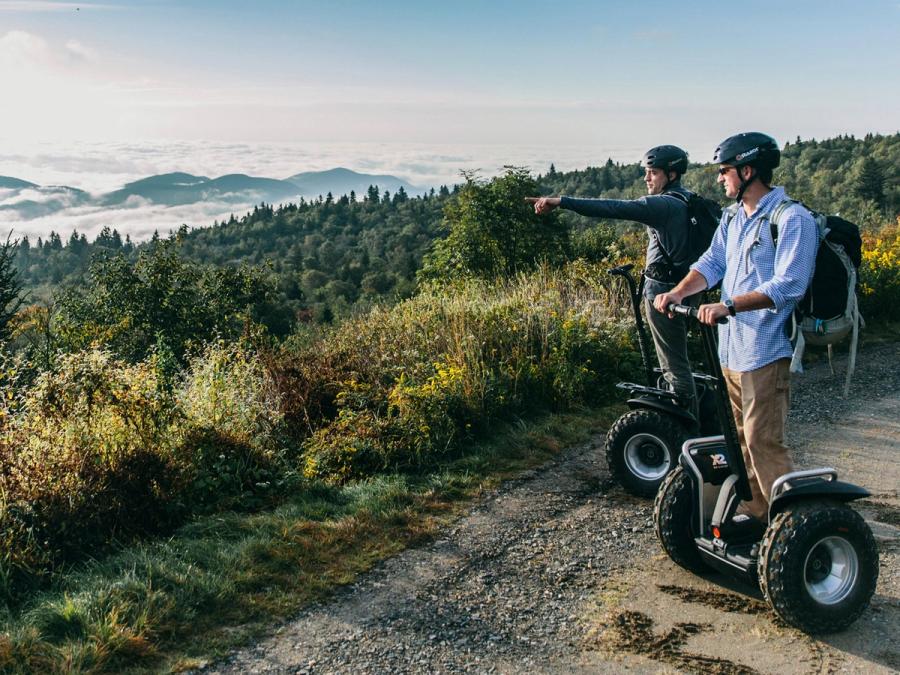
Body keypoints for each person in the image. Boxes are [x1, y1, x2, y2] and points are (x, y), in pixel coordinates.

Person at [653, 132, 819, 523]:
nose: (719, 178)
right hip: (731, 351)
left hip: (766, 348)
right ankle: (758, 510)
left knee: (764, 440)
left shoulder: (793, 219)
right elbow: (711, 263)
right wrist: (677, 294)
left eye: (724, 170)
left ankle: (792, 527)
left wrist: (728, 306)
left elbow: (789, 284)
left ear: (747, 171)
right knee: (740, 438)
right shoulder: (733, 217)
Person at [527, 145, 701, 415]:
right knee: (680, 358)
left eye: (652, 173)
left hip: (663, 295)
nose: (647, 179)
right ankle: (694, 416)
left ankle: (686, 429)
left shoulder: (662, 205)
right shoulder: (690, 200)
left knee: (674, 366)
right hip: (688, 289)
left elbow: (612, 207)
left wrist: (562, 201)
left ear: (672, 174)